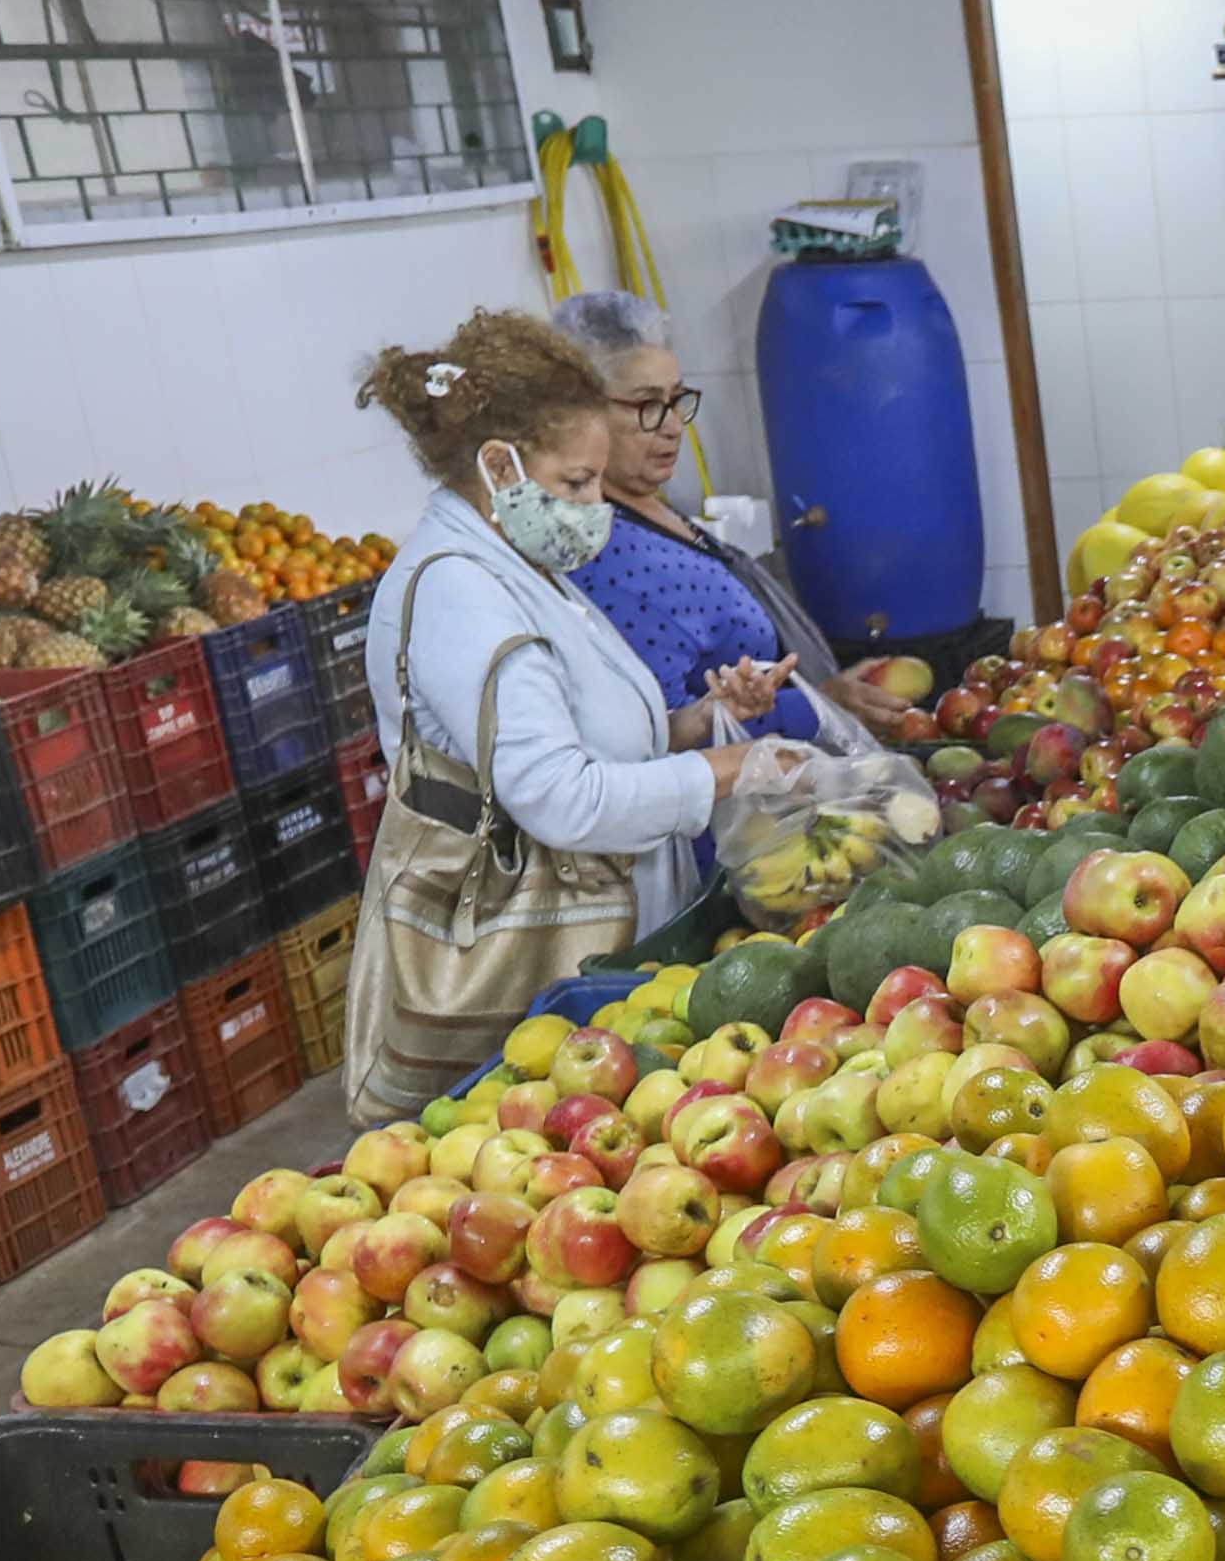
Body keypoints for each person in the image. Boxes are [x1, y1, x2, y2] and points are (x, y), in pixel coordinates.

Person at [348, 311, 806, 1114]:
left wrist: (699, 720)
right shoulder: (464, 594)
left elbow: (579, 730)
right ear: (498, 466)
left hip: (613, 931)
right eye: (574, 484)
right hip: (528, 957)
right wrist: (723, 770)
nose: (595, 506)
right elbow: (559, 797)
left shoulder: (518, 561)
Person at [535, 286, 881, 744]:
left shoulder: (649, 502)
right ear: (579, 415)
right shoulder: (602, 553)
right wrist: (822, 705)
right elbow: (659, 736)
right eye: (647, 405)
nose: (674, 425)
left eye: (676, 399)